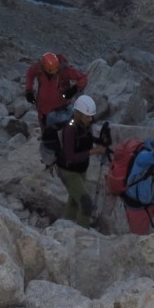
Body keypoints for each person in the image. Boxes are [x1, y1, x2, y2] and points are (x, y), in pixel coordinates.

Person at [56, 94, 107, 228]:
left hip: (80, 170)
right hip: (68, 171)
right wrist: (94, 151)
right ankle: (82, 232)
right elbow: (70, 156)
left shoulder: (84, 125)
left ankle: (64, 228)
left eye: (91, 116)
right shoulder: (70, 128)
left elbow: (87, 139)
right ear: (78, 114)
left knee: (74, 200)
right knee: (86, 204)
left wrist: (100, 141)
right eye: (87, 116)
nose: (90, 119)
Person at [25, 52, 88, 138]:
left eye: (55, 70)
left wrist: (74, 89)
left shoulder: (64, 70)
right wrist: (29, 90)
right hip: (43, 109)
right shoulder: (38, 68)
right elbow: (30, 74)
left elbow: (83, 78)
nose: (54, 73)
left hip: (60, 109)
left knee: (64, 134)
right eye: (51, 71)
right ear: (44, 66)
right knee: (47, 135)